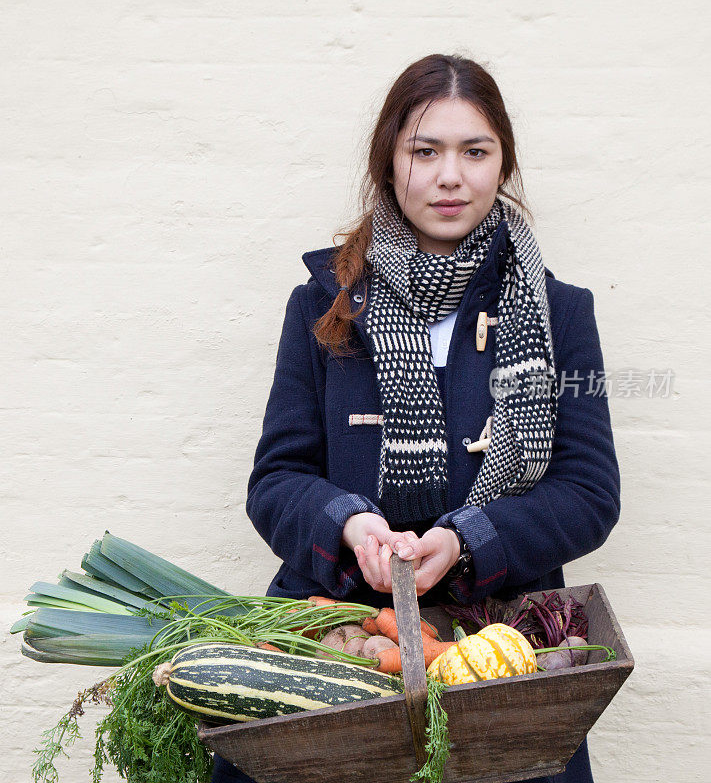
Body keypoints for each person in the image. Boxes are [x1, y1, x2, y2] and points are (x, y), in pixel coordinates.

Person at [211, 54, 620, 783]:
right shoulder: (322, 305)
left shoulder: (560, 314)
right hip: (338, 634)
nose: (449, 176)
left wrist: (468, 540)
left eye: (474, 151)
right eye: (423, 151)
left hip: (500, 645)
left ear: (503, 164)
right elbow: (275, 480)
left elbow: (588, 493)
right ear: (389, 163)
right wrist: (346, 524)